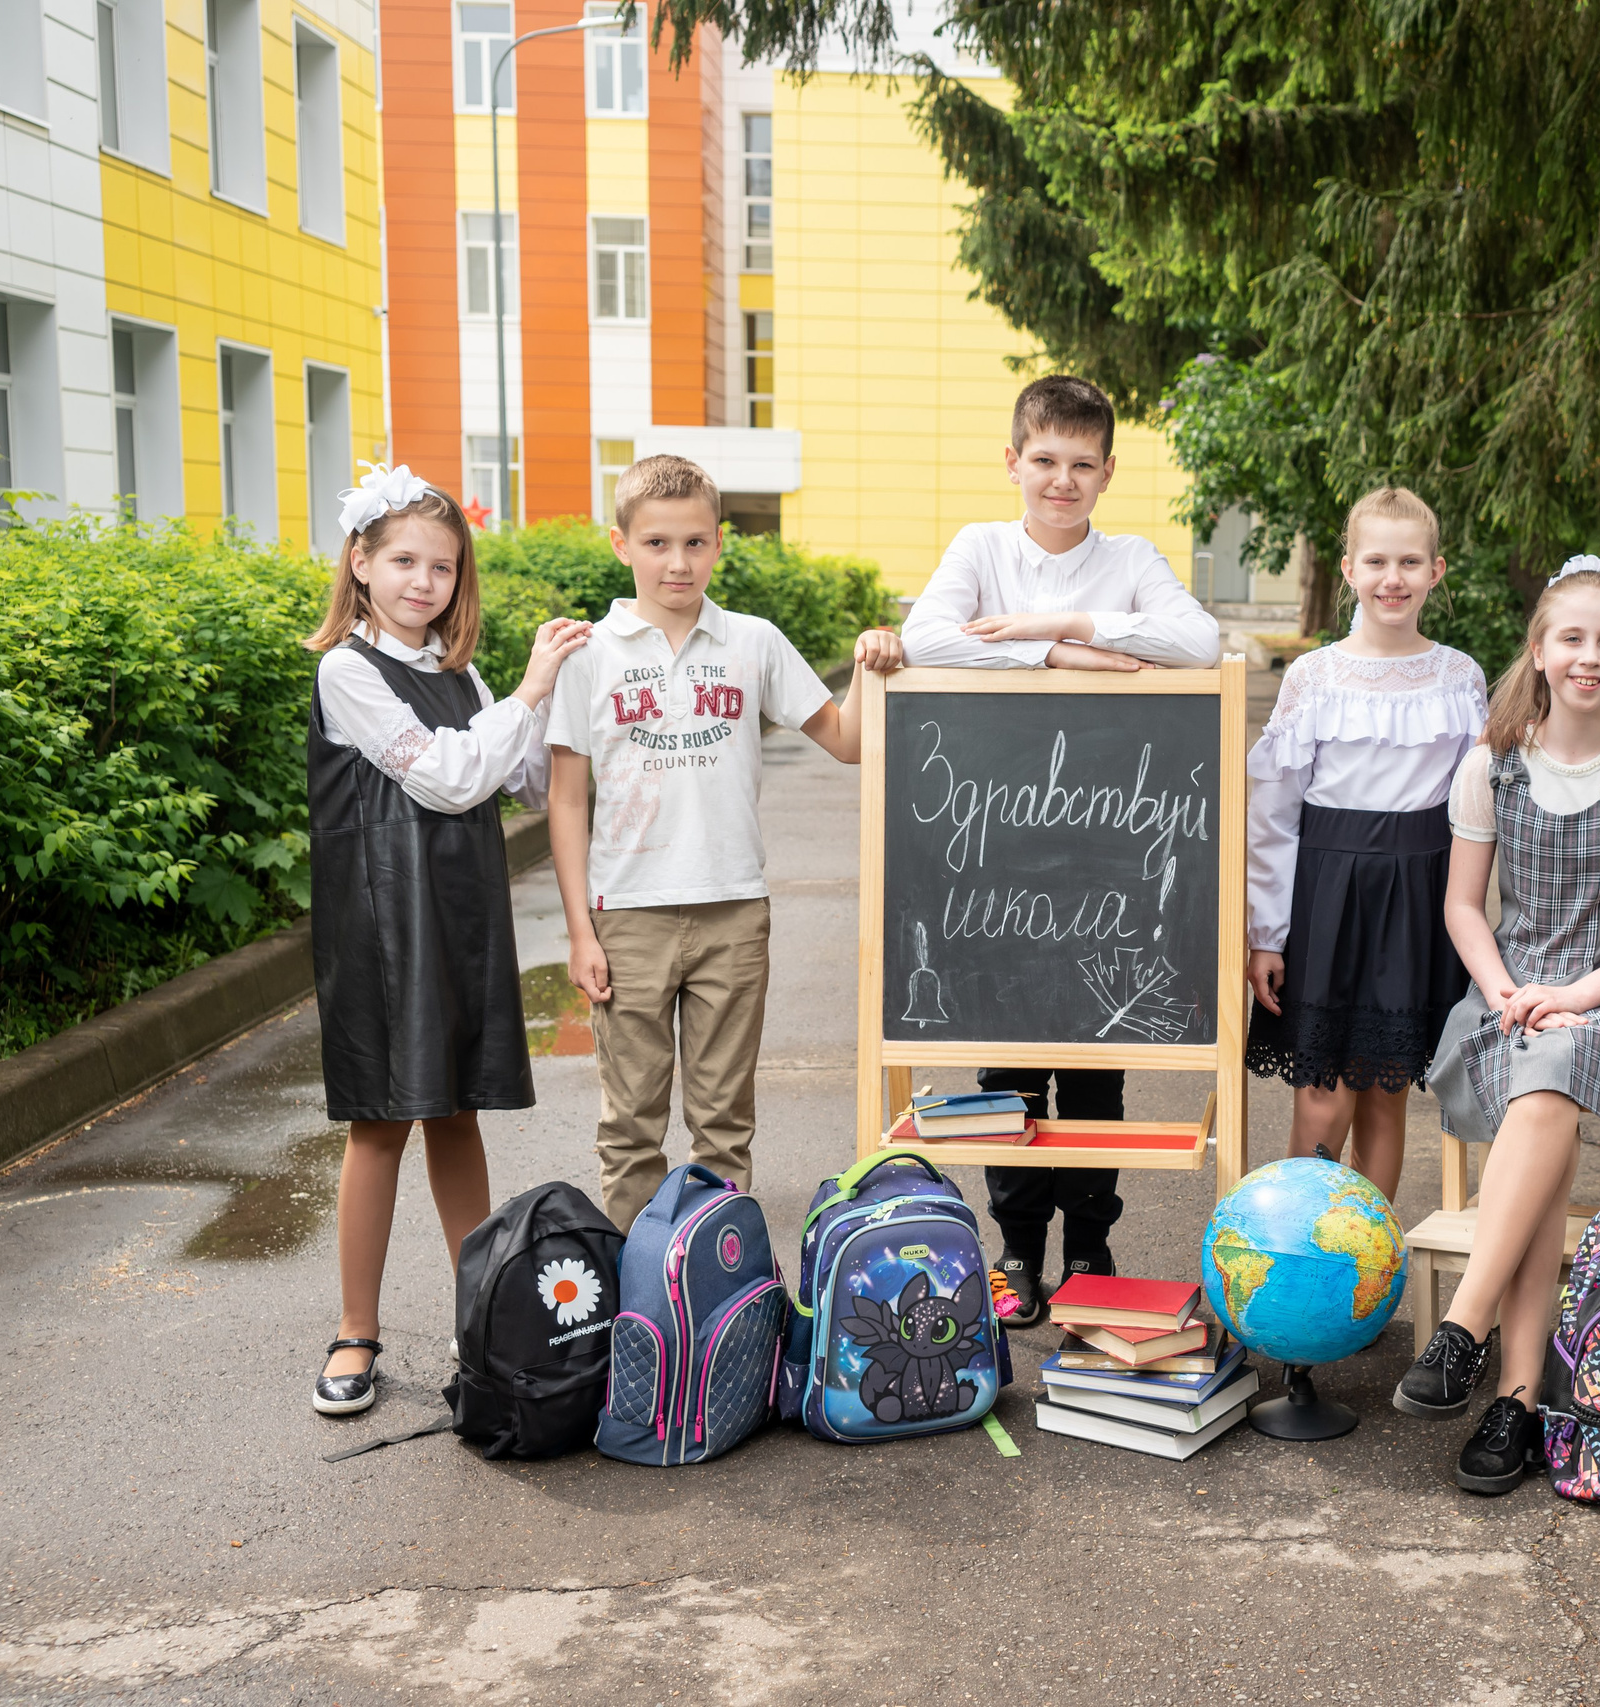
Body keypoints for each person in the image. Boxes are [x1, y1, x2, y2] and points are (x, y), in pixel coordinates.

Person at [897, 374, 1221, 1326]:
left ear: (1109, 470)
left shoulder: (1127, 560)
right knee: (1008, 1075)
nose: (1063, 480)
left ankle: (1090, 1246)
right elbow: (926, 638)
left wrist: (1065, 620)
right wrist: (1057, 660)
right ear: (1013, 462)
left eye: (1083, 464)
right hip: (992, 859)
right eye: (1045, 460)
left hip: (1108, 852)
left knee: (1095, 1070)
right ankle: (1014, 1252)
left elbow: (1197, 641)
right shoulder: (979, 548)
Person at [1399, 558, 1600, 1494]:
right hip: (1505, 993)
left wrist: (1578, 996)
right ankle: (1519, 1402)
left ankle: (1467, 1326)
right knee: (1541, 1087)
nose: (1589, 656)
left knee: (1554, 1067)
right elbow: (1463, 908)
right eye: (1571, 638)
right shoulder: (1492, 764)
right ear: (1539, 649)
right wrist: (1501, 989)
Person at [303, 465, 592, 1415]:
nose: (422, 581)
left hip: (459, 918)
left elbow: (513, 778)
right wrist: (532, 684)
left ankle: (485, 1321)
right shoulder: (346, 669)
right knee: (382, 1121)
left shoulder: (454, 671)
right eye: (402, 561)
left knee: (456, 1111)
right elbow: (449, 776)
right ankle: (357, 1331)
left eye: (441, 566)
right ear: (360, 562)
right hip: (385, 926)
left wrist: (551, 703)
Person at [546, 454, 874, 1233]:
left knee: (724, 1121)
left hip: (732, 910)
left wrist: (867, 663)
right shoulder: (588, 654)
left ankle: (717, 1292)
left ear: (719, 543)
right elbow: (565, 798)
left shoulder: (753, 641)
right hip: (627, 914)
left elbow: (849, 741)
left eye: (695, 542)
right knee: (631, 1125)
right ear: (621, 543)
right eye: (657, 543)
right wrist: (579, 931)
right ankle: (641, 1302)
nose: (677, 561)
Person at [1244, 487, 1484, 1199]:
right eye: (1376, 560)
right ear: (1347, 568)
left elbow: (1479, 806)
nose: (1393, 578)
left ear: (1436, 571)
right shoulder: (1314, 676)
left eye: (1410, 561)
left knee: (1386, 1092)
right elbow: (1274, 816)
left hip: (1417, 902)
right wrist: (1268, 935)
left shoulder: (1459, 676)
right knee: (1324, 1095)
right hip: (1328, 896)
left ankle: (1363, 1272)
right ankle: (1297, 1257)